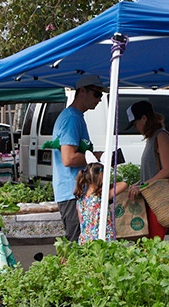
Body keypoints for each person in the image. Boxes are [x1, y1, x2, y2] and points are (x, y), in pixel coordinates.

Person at [52, 74, 106, 242]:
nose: (99, 100)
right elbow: (68, 158)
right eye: (97, 94)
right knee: (77, 245)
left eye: (101, 96)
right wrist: (95, 157)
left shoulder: (75, 117)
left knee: (78, 244)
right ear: (82, 91)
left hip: (72, 191)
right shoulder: (72, 118)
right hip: (71, 192)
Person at [125, 100, 169, 239]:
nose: (136, 128)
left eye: (136, 123)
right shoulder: (151, 138)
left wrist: (143, 185)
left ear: (144, 118)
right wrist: (138, 183)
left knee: (152, 244)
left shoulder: (161, 136)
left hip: (159, 201)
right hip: (150, 200)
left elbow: (167, 170)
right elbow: (152, 172)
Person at [75, 157, 128, 244]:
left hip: (85, 241)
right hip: (102, 240)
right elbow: (123, 184)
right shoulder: (101, 197)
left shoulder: (80, 200)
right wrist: (107, 185)